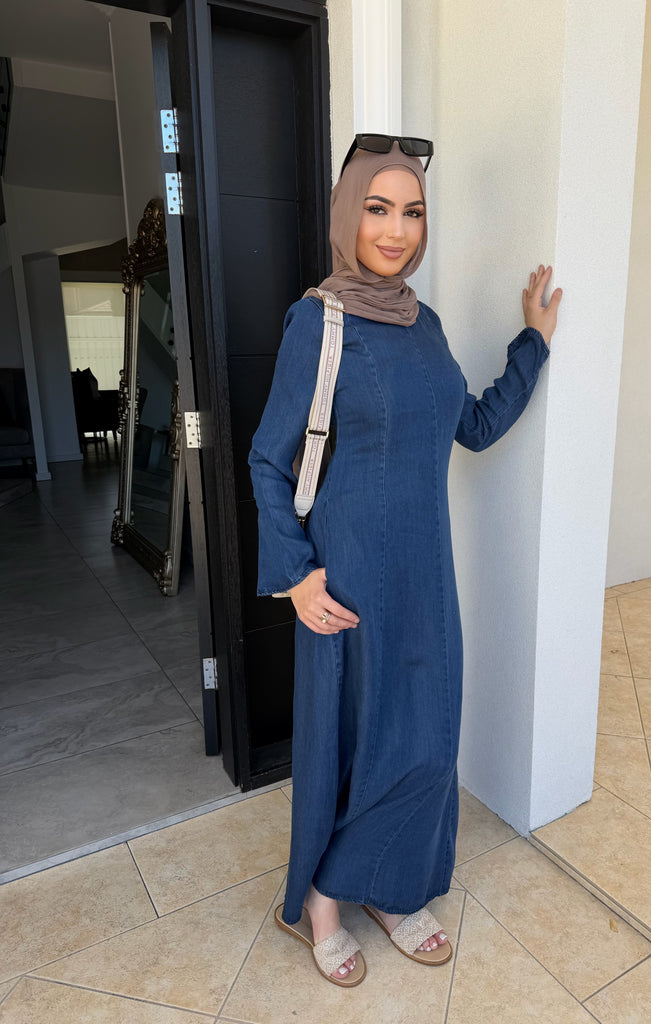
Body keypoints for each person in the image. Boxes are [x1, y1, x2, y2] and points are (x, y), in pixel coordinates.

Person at [248, 134, 562, 987]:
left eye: (413, 211)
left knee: (426, 740)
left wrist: (531, 344)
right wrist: (297, 576)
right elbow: (269, 458)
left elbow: (474, 426)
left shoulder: (425, 326)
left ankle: (390, 886)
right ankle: (320, 902)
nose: (395, 230)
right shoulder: (318, 321)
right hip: (345, 574)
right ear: (348, 216)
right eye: (378, 209)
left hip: (425, 573)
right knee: (354, 743)